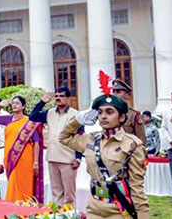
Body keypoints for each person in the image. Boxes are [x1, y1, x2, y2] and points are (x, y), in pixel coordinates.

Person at [60, 71, 149, 219]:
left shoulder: (133, 145)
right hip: (94, 207)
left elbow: (137, 188)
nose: (103, 116)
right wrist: (77, 120)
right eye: (100, 112)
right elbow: (63, 137)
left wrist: (142, 215)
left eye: (109, 112)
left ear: (122, 117)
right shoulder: (91, 140)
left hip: (119, 209)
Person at [28, 86, 81, 207]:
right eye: (56, 96)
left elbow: (80, 136)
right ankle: (57, 213)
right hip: (52, 157)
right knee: (56, 191)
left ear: (68, 98)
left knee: (69, 193)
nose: (58, 98)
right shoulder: (50, 113)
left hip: (68, 158)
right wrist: (42, 102)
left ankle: (69, 213)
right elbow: (33, 117)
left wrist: (78, 158)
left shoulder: (76, 114)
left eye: (61, 96)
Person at [0, 95, 44, 203]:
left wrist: (36, 162)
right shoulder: (8, 119)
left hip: (25, 158)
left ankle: (25, 205)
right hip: (10, 157)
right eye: (13, 103)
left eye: (17, 103)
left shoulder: (29, 122)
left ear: (23, 106)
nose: (14, 105)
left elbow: (36, 143)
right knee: (12, 181)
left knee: (24, 183)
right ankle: (12, 204)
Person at [111, 79, 147, 144]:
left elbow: (141, 138)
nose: (115, 95)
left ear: (127, 95)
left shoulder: (133, 115)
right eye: (114, 92)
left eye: (118, 92)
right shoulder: (110, 114)